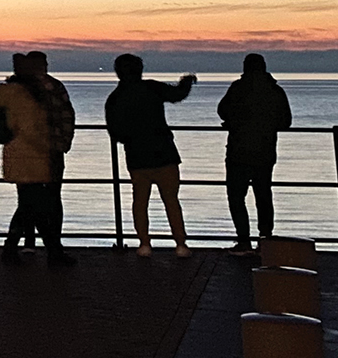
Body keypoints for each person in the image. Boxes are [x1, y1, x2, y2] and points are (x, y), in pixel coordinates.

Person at [104, 53, 196, 258]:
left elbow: (115, 131)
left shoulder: (115, 98)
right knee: (171, 200)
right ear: (140, 70)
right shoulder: (152, 88)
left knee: (140, 202)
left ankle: (144, 243)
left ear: (118, 72)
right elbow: (177, 95)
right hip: (164, 153)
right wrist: (187, 81)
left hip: (137, 157)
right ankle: (181, 244)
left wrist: (131, 138)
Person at [0, 50, 76, 265]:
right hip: (41, 154)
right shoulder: (40, 90)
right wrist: (57, 145)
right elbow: (59, 117)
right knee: (44, 203)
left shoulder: (10, 91)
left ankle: (21, 248)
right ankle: (51, 252)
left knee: (29, 203)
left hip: (18, 153)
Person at [217, 53, 292, 255]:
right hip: (265, 151)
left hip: (238, 151)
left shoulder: (237, 88)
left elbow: (222, 110)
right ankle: (265, 239)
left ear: (245, 67)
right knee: (264, 195)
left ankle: (243, 241)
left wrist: (236, 122)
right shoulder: (275, 90)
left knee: (236, 196)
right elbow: (286, 121)